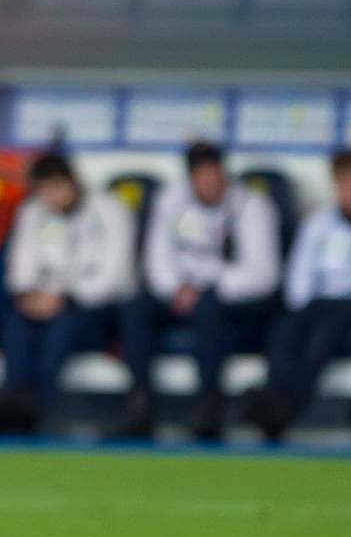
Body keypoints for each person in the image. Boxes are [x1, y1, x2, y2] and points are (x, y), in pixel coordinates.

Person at [120, 141, 282, 441]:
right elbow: (156, 260)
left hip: (235, 301)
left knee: (209, 308)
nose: (208, 182)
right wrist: (176, 288)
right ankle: (139, 403)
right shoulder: (170, 200)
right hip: (179, 294)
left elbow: (264, 275)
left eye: (213, 173)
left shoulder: (251, 205)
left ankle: (210, 405)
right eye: (200, 175)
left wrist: (210, 286)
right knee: (136, 308)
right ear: (191, 176)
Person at [0, 152, 139, 435]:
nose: (52, 197)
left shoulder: (110, 209)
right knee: (15, 322)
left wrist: (66, 297)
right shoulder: (33, 212)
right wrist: (29, 295)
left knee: (63, 326)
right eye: (45, 190)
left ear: (73, 182)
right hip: (43, 303)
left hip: (97, 309)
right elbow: (20, 268)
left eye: (57, 188)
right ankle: (15, 404)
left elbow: (115, 275)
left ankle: (42, 410)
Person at [244, 149, 351, 442]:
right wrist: (302, 308)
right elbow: (299, 275)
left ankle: (283, 409)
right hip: (316, 304)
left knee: (324, 334)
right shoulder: (318, 224)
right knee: (284, 330)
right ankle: (274, 397)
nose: (350, 189)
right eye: (344, 182)